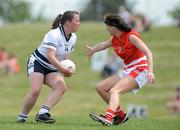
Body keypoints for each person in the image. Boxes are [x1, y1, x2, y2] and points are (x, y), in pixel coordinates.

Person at [87, 14, 155, 126]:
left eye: (107, 26)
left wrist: (150, 71)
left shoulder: (131, 36)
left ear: (113, 27)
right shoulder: (115, 39)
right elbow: (103, 45)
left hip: (141, 69)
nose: (106, 28)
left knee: (115, 91)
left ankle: (109, 118)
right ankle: (120, 116)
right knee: (101, 87)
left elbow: (148, 53)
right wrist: (93, 50)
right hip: (128, 69)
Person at [17, 10, 80, 123]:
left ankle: (42, 114)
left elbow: (65, 57)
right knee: (35, 90)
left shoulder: (73, 38)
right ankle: (22, 117)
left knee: (61, 87)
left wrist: (69, 64)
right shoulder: (53, 34)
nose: (79, 23)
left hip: (51, 67)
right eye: (77, 21)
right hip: (38, 63)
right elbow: (51, 56)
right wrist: (62, 69)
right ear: (68, 23)